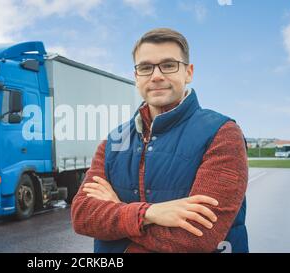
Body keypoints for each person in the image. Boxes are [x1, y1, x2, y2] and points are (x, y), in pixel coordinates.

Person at [71, 28, 248, 253]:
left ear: (188, 72)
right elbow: (82, 216)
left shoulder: (222, 134)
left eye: (168, 65)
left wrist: (117, 213)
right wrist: (149, 214)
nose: (156, 76)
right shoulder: (114, 140)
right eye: (145, 68)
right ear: (136, 77)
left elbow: (195, 240)